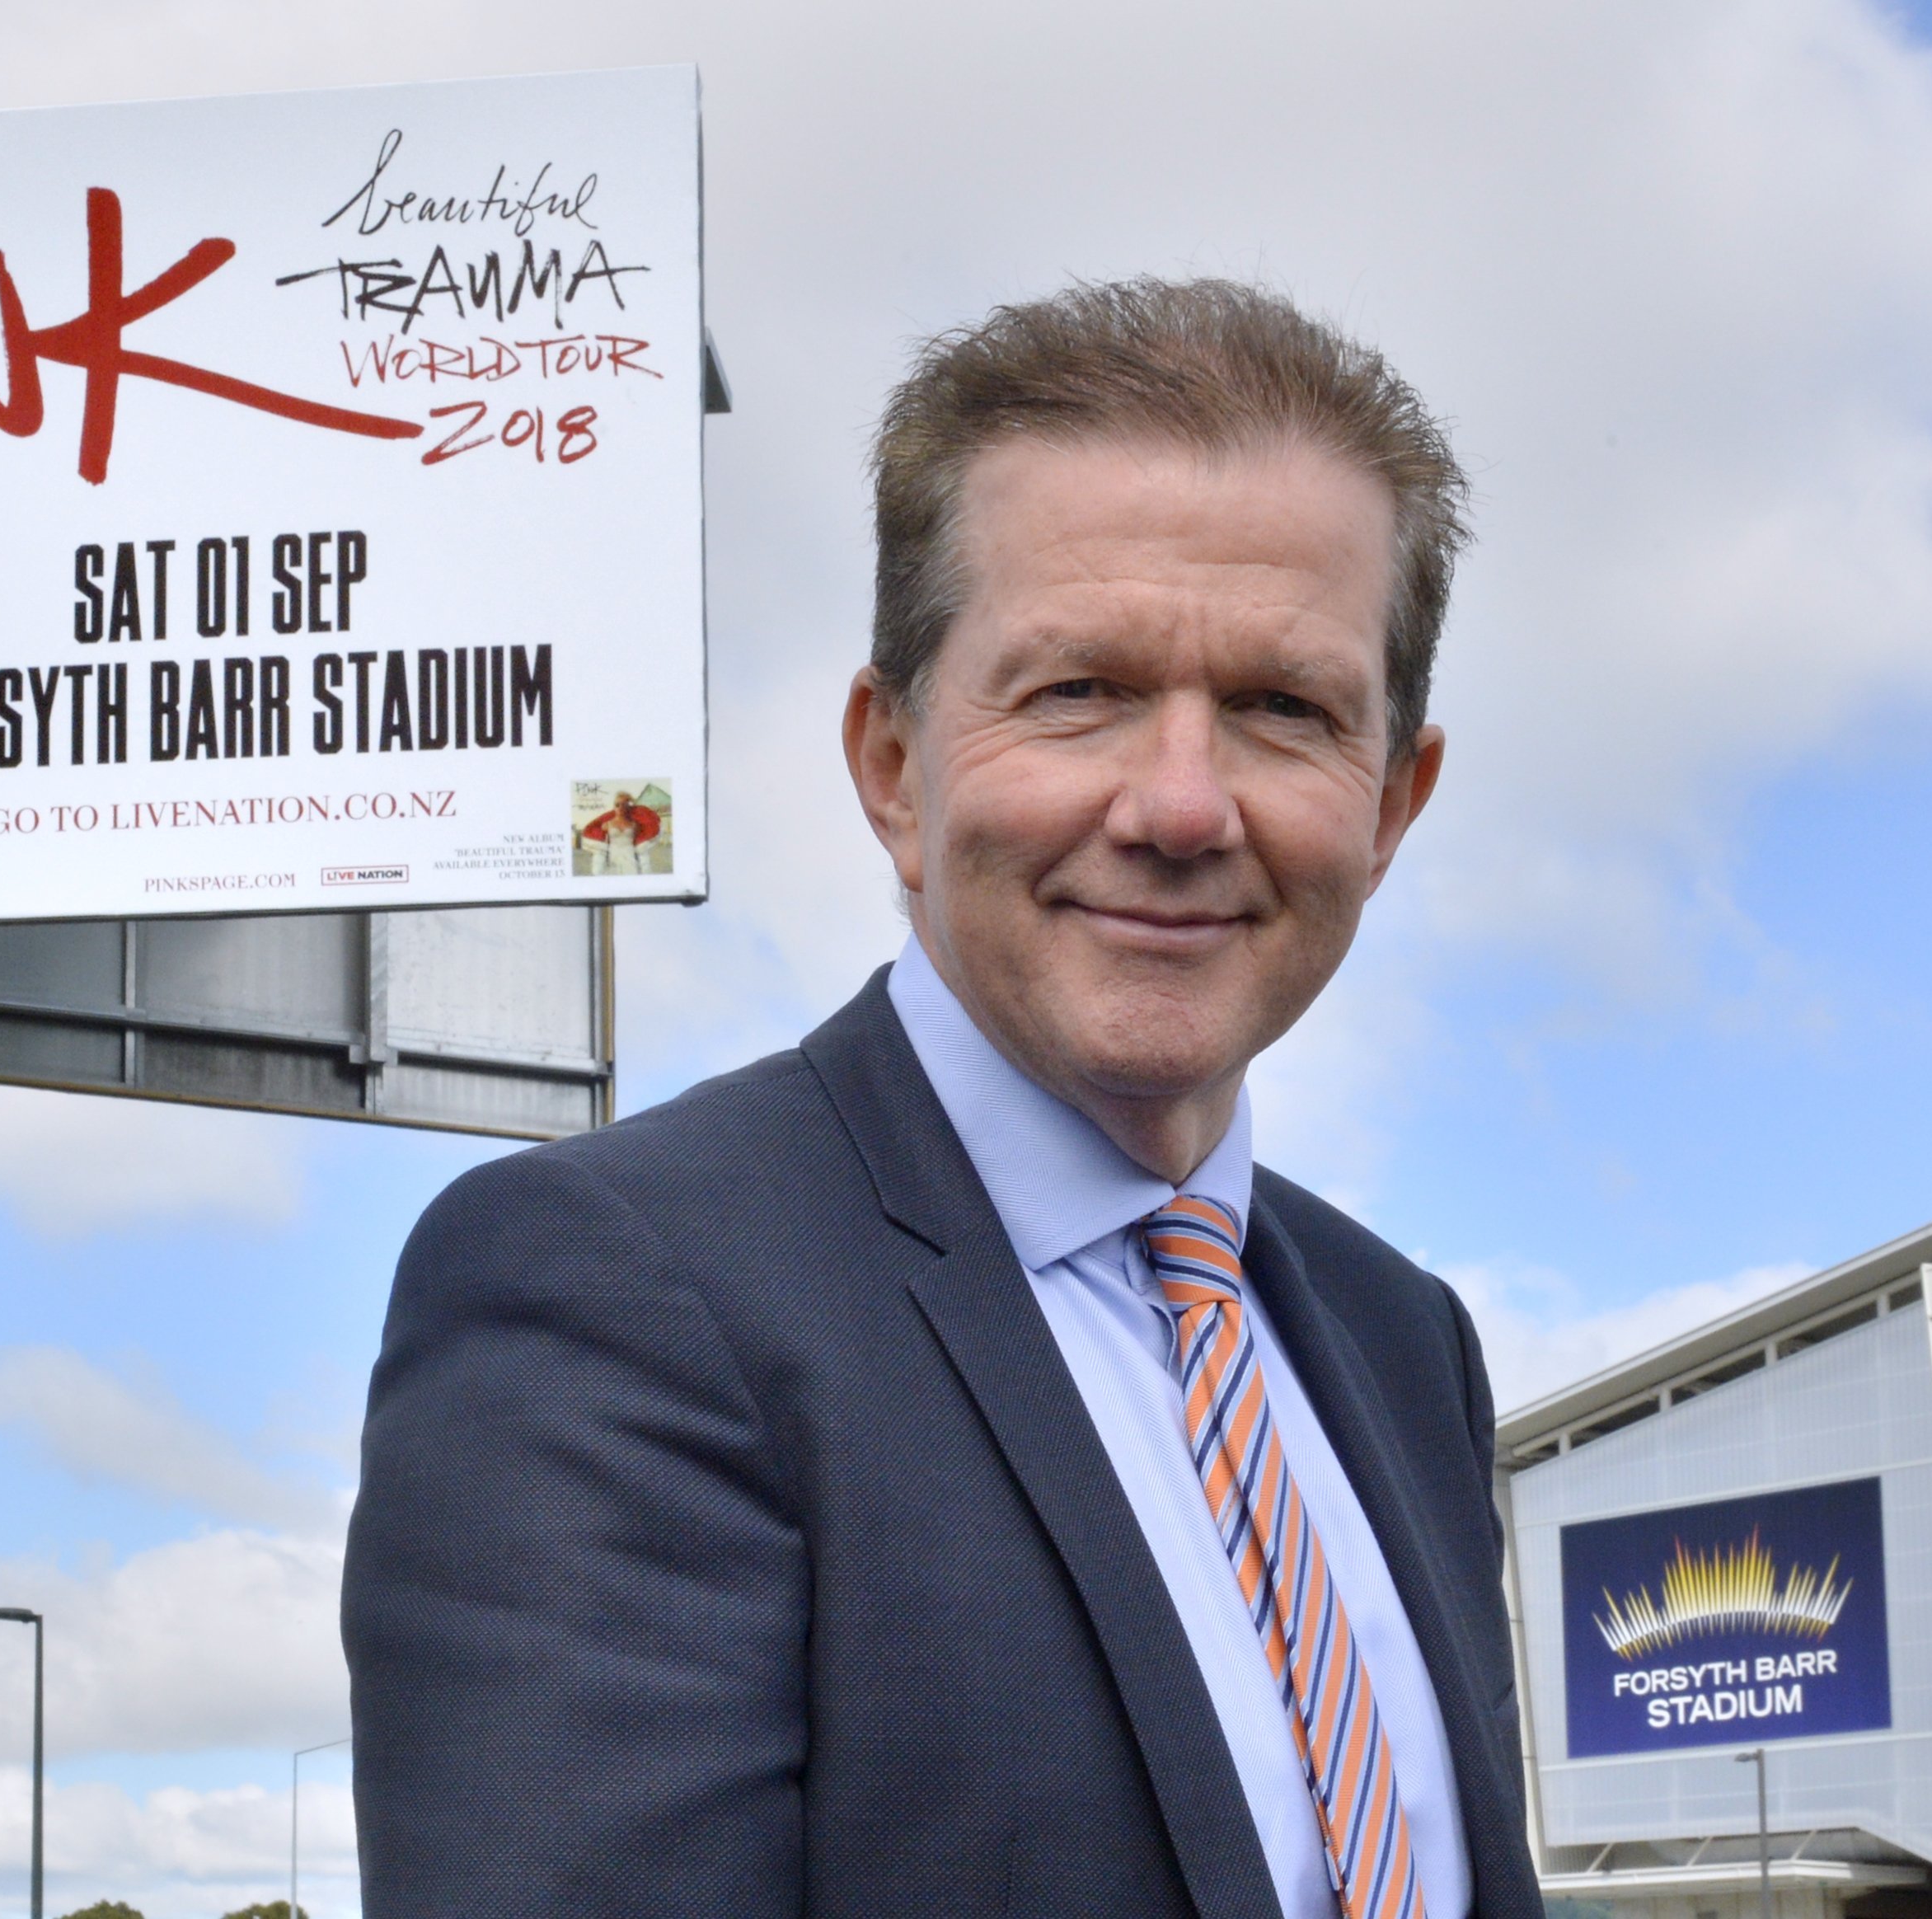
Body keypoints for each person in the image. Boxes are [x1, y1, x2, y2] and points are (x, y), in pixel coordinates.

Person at [343, 279, 1543, 1918]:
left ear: (1392, 800)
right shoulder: (611, 1293)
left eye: (1283, 709)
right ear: (893, 766)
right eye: (1078, 691)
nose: (1181, 805)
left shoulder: (1410, 1347)